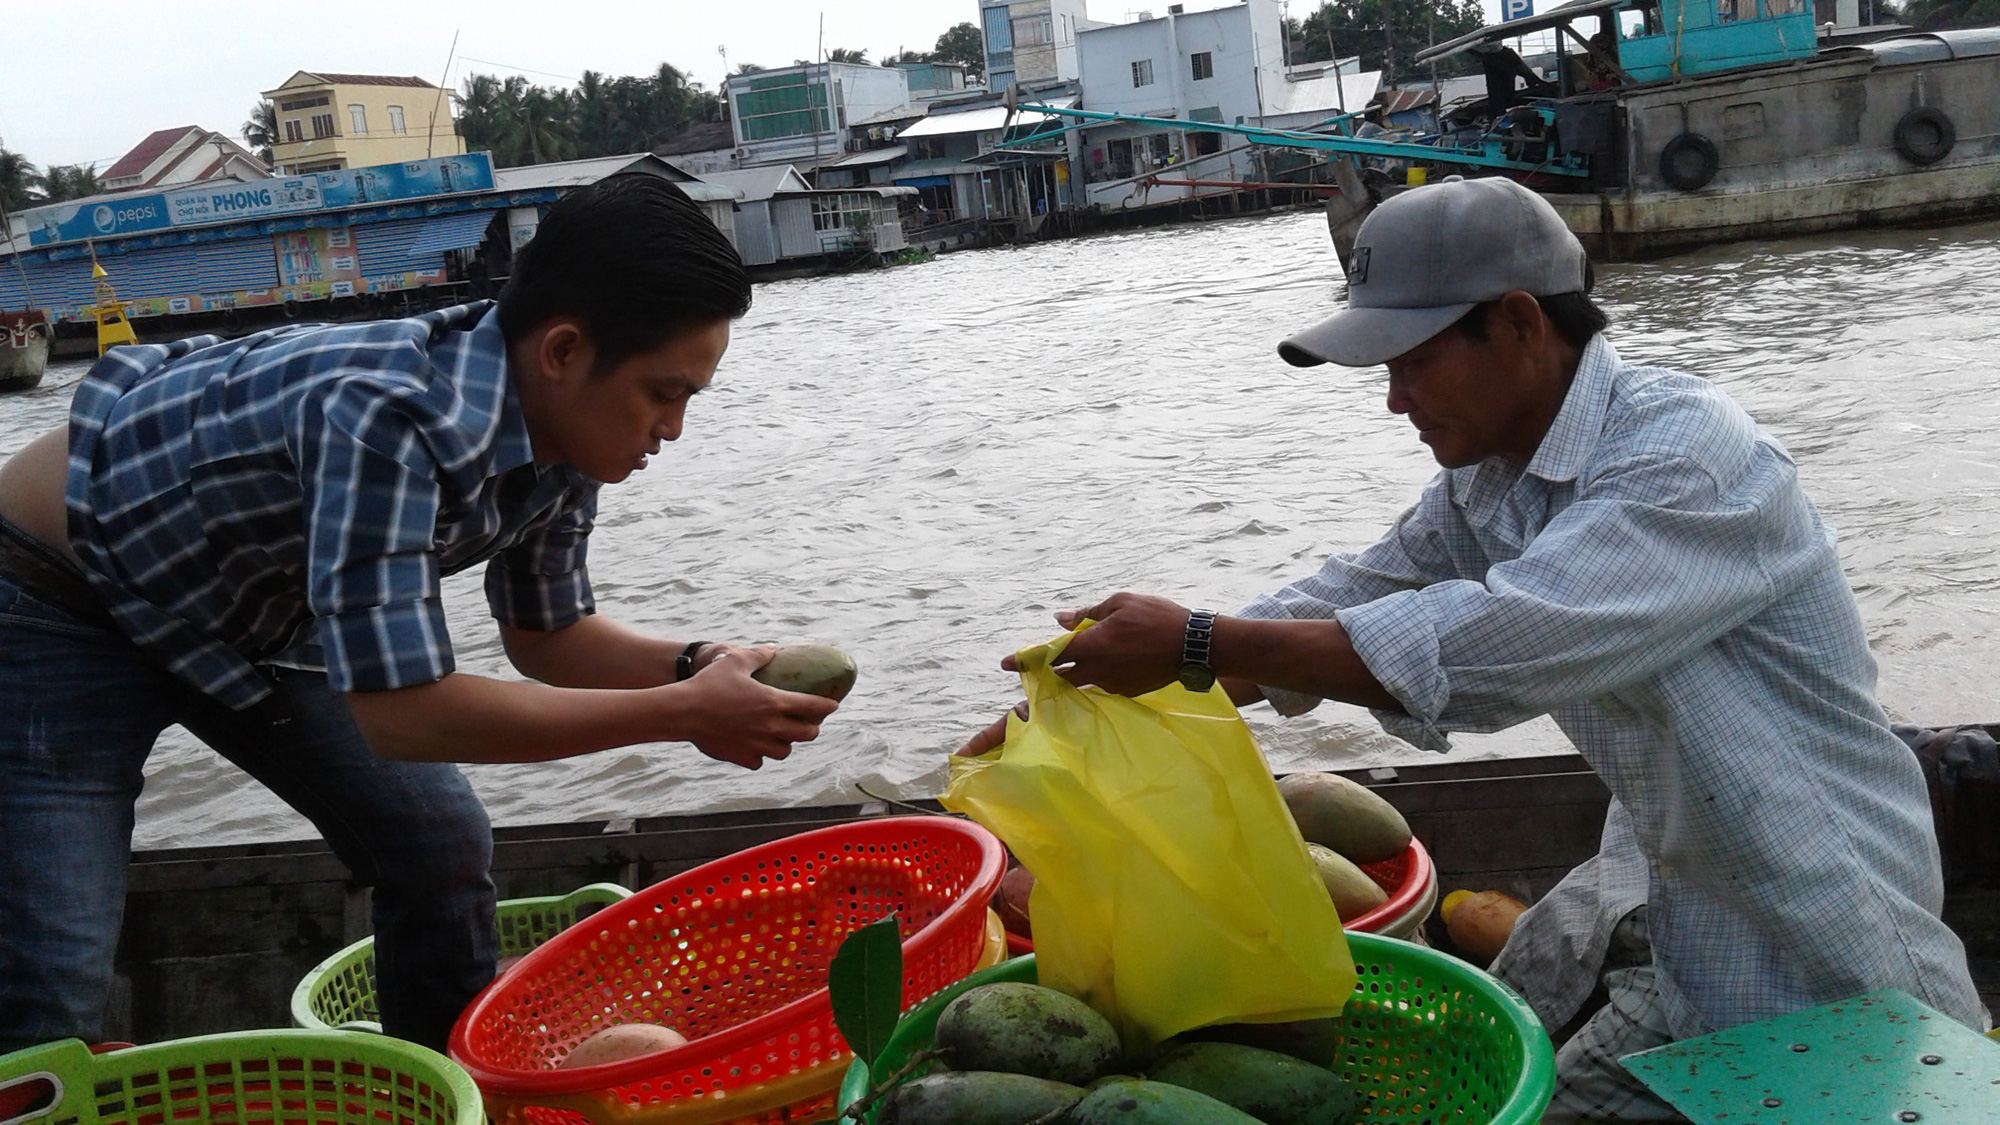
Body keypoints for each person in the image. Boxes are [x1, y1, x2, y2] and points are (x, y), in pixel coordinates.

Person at [962, 176, 1986, 1120]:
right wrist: (1089, 698)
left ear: (1517, 323)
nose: (1395, 400)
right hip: (1675, 929)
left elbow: (1503, 642)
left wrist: (1194, 641)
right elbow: (1354, 590)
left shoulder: (1688, 456)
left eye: (1411, 362)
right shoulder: (1489, 478)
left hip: (1823, 940)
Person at [0, 174, 839, 1053]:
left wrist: (698, 663)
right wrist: (682, 714)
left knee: (439, 842)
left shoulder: (570, 442)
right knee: (49, 978)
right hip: (55, 598)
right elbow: (406, 714)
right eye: (664, 394)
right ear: (562, 351)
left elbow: (548, 636)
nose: (671, 427)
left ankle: (452, 1089)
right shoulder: (387, 413)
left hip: (251, 611)